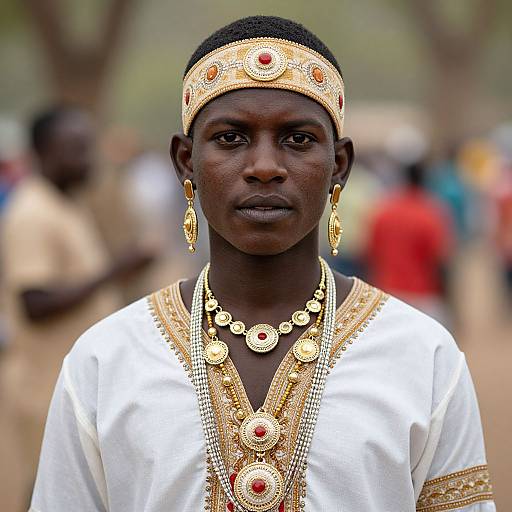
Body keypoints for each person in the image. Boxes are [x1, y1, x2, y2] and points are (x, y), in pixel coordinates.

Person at [30, 17, 495, 512]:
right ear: (186, 161)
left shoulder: (422, 356)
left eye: (298, 140)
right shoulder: (106, 360)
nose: (265, 167)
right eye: (231, 138)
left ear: (338, 166)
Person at [0, 106, 153, 510]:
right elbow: (33, 303)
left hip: (66, 381)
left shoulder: (65, 204)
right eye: (74, 149)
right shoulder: (31, 213)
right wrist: (115, 272)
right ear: (40, 152)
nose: (87, 160)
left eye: (87, 148)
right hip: (40, 387)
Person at [365, 161, 454, 324]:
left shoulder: (383, 211)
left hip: (387, 294)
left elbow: (369, 253)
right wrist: (448, 299)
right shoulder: (431, 213)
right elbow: (440, 260)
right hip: (423, 297)